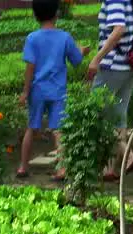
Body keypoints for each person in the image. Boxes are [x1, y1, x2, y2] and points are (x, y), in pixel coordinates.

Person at [16, 0, 84, 180]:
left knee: (32, 127)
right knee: (58, 129)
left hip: (37, 90)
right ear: (57, 14)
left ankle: (23, 166)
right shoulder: (65, 37)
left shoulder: (32, 38)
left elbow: (30, 66)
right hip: (57, 91)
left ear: (35, 15)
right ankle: (62, 169)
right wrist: (82, 51)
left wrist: (25, 91)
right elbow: (77, 61)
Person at [84, 0, 133, 181]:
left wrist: (96, 58)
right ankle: (109, 168)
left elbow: (118, 30)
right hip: (127, 68)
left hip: (111, 67)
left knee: (95, 113)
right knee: (117, 117)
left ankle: (128, 155)